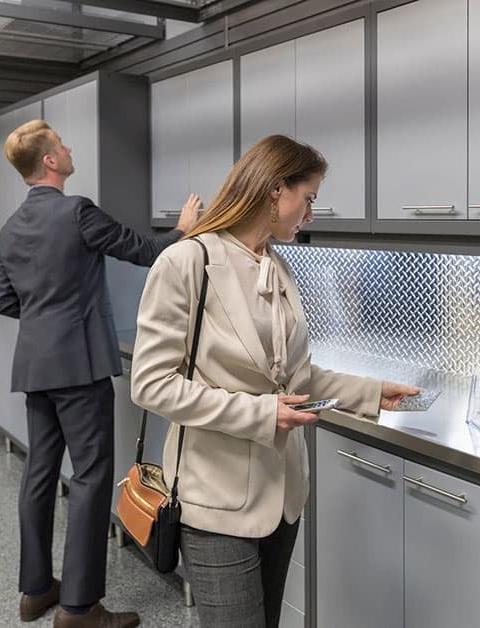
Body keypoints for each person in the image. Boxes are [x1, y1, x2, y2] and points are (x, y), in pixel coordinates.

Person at [130, 134, 419, 628]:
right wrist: (261, 413)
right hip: (215, 503)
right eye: (308, 199)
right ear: (273, 191)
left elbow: (296, 375)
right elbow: (152, 384)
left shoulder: (277, 266)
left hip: (282, 498)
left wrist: (370, 392)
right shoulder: (186, 262)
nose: (309, 215)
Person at [0, 119, 201, 628]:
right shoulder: (76, 212)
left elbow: (3, 300)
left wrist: (48, 317)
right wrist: (185, 227)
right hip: (80, 366)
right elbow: (145, 251)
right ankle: (80, 607)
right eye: (61, 145)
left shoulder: (11, 227)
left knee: (40, 474)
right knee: (89, 478)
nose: (68, 149)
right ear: (49, 161)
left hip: (36, 366)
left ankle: (35, 591)